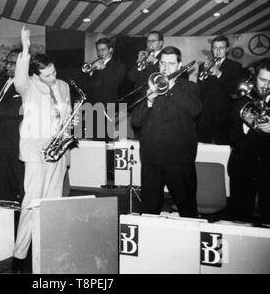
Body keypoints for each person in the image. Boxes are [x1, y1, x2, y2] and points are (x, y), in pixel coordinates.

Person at [11, 26, 72, 272]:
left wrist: (69, 128)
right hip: (36, 153)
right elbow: (19, 77)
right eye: (46, 74)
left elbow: (65, 116)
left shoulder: (64, 86)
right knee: (31, 203)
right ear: (35, 75)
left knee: (53, 203)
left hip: (58, 152)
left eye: (53, 71)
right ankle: (19, 254)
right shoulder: (27, 86)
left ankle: (50, 247)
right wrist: (25, 48)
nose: (52, 77)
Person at [131, 46, 202, 218]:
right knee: (149, 209)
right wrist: (148, 101)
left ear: (179, 65)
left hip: (180, 159)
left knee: (187, 208)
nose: (165, 68)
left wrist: (171, 88)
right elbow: (136, 121)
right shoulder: (147, 87)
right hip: (152, 159)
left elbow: (195, 110)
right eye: (162, 63)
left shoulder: (189, 87)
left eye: (171, 64)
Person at [228, 58, 270, 224]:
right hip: (243, 169)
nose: (266, 85)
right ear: (255, 77)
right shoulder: (240, 99)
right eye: (262, 79)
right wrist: (247, 124)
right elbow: (230, 135)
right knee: (239, 219)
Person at [0, 48, 25, 202]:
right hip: (3, 142)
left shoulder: (27, 84)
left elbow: (25, 109)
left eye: (12, 63)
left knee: (20, 184)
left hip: (17, 142)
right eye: (7, 62)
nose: (7, 66)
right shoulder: (4, 82)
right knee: (4, 185)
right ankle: (5, 216)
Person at [196, 35, 244, 145]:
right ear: (212, 49)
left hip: (224, 116)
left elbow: (235, 90)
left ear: (227, 49)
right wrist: (204, 76)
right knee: (203, 147)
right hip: (206, 115)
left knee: (223, 148)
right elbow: (200, 91)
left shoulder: (236, 66)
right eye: (215, 48)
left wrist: (219, 73)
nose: (217, 51)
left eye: (221, 48)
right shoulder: (203, 66)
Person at [84, 37, 125, 141]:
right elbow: (88, 86)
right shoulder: (95, 65)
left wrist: (102, 69)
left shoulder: (118, 66)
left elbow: (113, 84)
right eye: (98, 50)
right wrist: (91, 73)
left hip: (107, 108)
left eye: (103, 49)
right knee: (92, 140)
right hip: (92, 107)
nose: (100, 52)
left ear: (110, 50)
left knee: (104, 141)